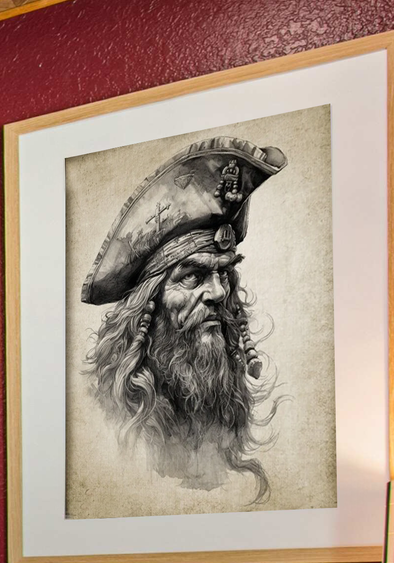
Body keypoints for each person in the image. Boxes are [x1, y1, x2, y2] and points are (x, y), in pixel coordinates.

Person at [78, 136, 286, 499]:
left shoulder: (224, 400)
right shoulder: (103, 420)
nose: (218, 293)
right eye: (192, 276)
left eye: (223, 274)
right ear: (148, 303)